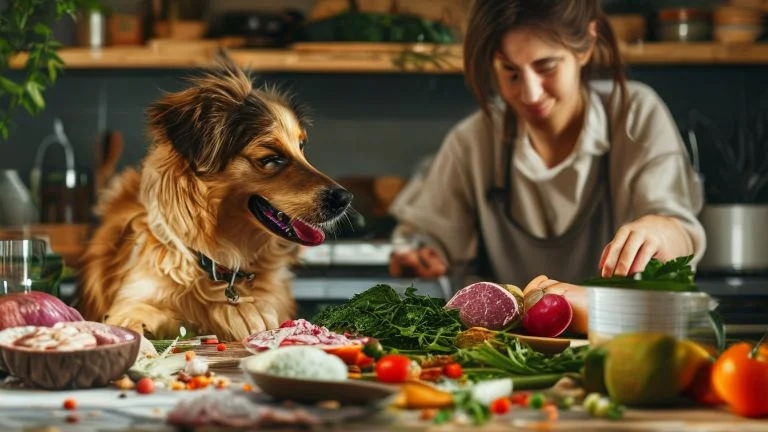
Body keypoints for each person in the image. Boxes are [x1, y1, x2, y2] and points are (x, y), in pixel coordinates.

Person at [388, 0, 706, 290]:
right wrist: (420, 257)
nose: (530, 94)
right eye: (510, 72)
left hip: (621, 345)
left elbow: (680, 234)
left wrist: (660, 229)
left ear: (586, 46)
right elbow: (428, 239)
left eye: (546, 67)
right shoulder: (472, 141)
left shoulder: (635, 114)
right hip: (507, 349)